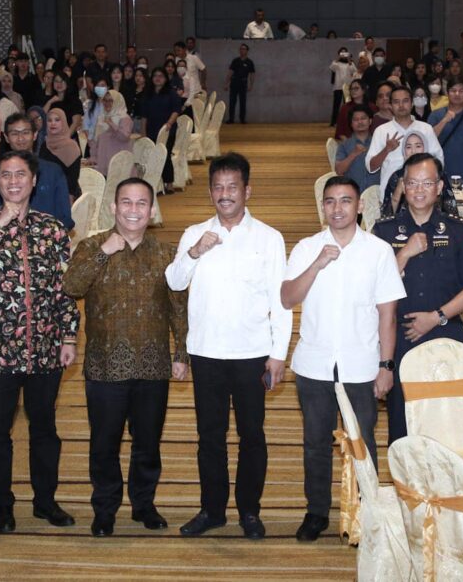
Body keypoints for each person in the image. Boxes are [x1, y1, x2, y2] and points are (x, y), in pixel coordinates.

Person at [165, 153, 291, 540]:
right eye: (218, 187)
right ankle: (212, 509)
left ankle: (249, 512)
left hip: (253, 353)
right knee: (210, 436)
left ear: (247, 190)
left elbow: (281, 300)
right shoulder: (194, 233)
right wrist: (195, 252)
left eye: (232, 187)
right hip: (206, 352)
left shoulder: (269, 238)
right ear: (210, 193)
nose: (224, 194)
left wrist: (279, 354)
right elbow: (173, 282)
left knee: (253, 435)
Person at [0, 149, 80, 534]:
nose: (14, 181)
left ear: (33, 181)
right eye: (6, 175)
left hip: (45, 346)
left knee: (44, 426)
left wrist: (68, 335)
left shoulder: (53, 229)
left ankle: (45, 501)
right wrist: (1, 224)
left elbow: (66, 288)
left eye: (21, 175)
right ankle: (3, 504)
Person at [280, 176, 403, 541]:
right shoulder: (307, 247)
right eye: (330, 201)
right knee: (315, 442)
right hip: (314, 363)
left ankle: (368, 510)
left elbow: (387, 315)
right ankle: (316, 512)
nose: (337, 209)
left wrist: (386, 366)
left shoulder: (378, 251)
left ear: (359, 206)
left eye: (345, 201)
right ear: (323, 206)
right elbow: (288, 297)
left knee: (362, 441)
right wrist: (317, 264)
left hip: (362, 364)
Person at [63, 178, 188, 536]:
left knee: (148, 443)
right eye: (126, 203)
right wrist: (105, 250)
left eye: (141, 204)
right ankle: (105, 509)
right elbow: (72, 286)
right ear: (114, 208)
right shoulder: (91, 246)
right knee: (104, 443)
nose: (133, 210)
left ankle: (144, 505)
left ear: (151, 210)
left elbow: (178, 307)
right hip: (105, 366)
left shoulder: (166, 254)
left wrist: (180, 352)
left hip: (153, 365)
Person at [372, 153, 463, 441]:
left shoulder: (457, 229)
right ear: (403, 186)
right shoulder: (383, 231)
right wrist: (403, 254)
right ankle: (408, 486)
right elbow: (370, 287)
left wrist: (437, 317)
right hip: (398, 339)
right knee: (403, 424)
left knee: (449, 423)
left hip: (446, 335)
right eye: (412, 183)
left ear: (439, 187)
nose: (419, 189)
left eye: (427, 183)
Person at [0, 114, 74, 228]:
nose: (20, 138)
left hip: (47, 240)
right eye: (14, 133)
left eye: (25, 132)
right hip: (5, 241)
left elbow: (65, 217)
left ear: (35, 135)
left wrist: (46, 237)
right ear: (6, 137)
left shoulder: (52, 171)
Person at [365, 86, 444, 199]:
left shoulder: (426, 128)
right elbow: (371, 168)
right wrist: (386, 150)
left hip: (422, 194)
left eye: (405, 101)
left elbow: (439, 162)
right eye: (396, 102)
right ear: (390, 106)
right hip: (391, 195)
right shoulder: (381, 131)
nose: (401, 106)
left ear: (412, 103)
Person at [428, 78, 463, 178]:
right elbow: (428, 139)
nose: (457, 94)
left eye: (461, 91)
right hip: (440, 172)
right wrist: (444, 120)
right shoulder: (436, 115)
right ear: (447, 93)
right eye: (453, 90)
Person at [140, 68, 183, 192]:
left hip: (167, 130)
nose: (158, 78)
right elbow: (144, 115)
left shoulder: (171, 93)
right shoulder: (147, 94)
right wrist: (143, 133)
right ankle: (156, 184)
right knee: (153, 157)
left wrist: (169, 123)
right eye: (155, 76)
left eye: (161, 76)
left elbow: (176, 110)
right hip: (151, 129)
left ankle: (169, 183)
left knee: (165, 155)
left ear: (165, 78)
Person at [38, 107, 82, 202]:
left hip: (66, 193)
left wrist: (68, 198)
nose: (53, 123)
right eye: (49, 120)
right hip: (46, 191)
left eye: (57, 120)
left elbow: (73, 178)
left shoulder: (72, 146)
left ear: (64, 122)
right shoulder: (44, 145)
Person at [334, 105, 379, 194]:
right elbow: (339, 170)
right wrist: (353, 154)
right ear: (351, 124)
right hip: (352, 193)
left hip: (377, 193)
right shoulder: (344, 145)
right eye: (355, 119)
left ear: (370, 121)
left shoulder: (378, 142)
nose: (360, 122)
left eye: (363, 118)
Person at [89, 89, 133, 176]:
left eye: (110, 100)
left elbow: (124, 137)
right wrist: (93, 157)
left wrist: (112, 124)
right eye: (105, 100)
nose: (107, 103)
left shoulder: (124, 118)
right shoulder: (102, 117)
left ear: (117, 102)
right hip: (103, 161)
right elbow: (95, 140)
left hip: (119, 161)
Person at [225, 43, 255, 124]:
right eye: (241, 49)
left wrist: (251, 85)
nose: (242, 50)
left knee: (243, 102)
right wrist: (226, 83)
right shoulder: (235, 61)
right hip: (234, 83)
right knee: (232, 102)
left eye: (244, 49)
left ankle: (242, 119)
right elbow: (230, 72)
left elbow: (252, 74)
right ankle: (231, 119)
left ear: (247, 51)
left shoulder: (250, 62)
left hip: (243, 83)